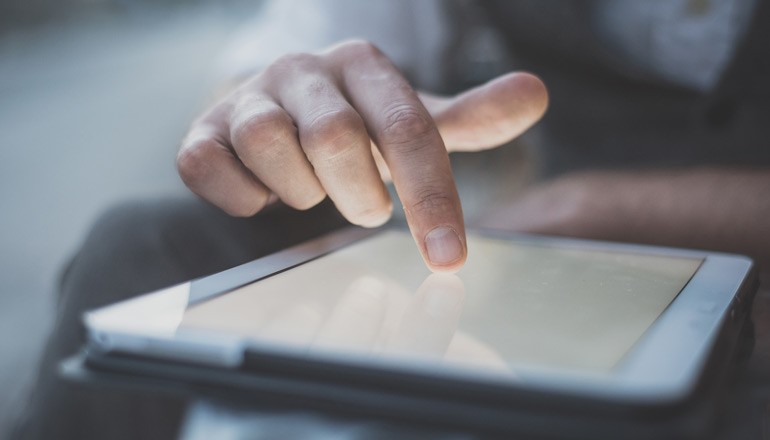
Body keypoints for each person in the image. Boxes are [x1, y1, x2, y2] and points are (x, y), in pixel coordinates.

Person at [13, 1, 770, 439]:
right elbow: (287, 48)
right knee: (148, 244)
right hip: (546, 252)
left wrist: (599, 207)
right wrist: (274, 108)